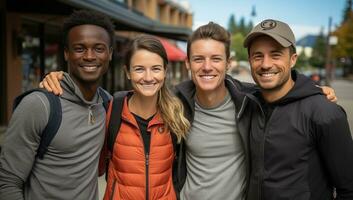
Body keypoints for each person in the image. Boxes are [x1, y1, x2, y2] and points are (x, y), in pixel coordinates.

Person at [40, 22, 338, 200]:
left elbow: (282, 91)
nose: (207, 67)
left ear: (228, 63)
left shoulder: (250, 102)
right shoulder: (174, 103)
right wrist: (59, 80)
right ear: (187, 65)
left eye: (215, 59)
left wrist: (312, 92)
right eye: (198, 59)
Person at [0, 10, 114, 200]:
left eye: (99, 48)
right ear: (66, 53)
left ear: (110, 54)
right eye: (79, 48)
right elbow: (7, 181)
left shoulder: (108, 104)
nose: (89, 56)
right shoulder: (39, 105)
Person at [243, 19, 353, 199]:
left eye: (276, 55)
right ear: (250, 61)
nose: (265, 64)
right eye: (257, 56)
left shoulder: (324, 113)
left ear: (293, 59)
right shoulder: (248, 104)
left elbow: (349, 189)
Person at [101, 35, 190, 200]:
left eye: (156, 69)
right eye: (139, 69)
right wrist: (60, 79)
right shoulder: (112, 110)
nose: (148, 77)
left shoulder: (177, 115)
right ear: (128, 72)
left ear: (165, 72)